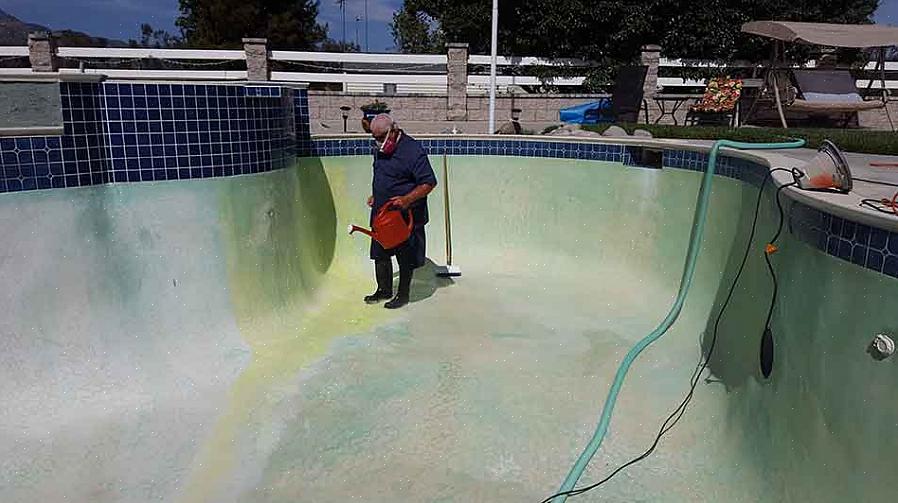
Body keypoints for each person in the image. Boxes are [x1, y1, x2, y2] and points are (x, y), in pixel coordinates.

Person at [364, 114, 437, 309]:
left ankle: (402, 295)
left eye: (381, 137)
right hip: (382, 213)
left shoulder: (413, 151)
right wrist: (376, 194)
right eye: (375, 138)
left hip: (404, 216)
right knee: (380, 253)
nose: (378, 142)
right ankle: (384, 290)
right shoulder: (380, 149)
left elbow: (429, 182)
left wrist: (406, 200)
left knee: (405, 258)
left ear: (394, 131)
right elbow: (382, 173)